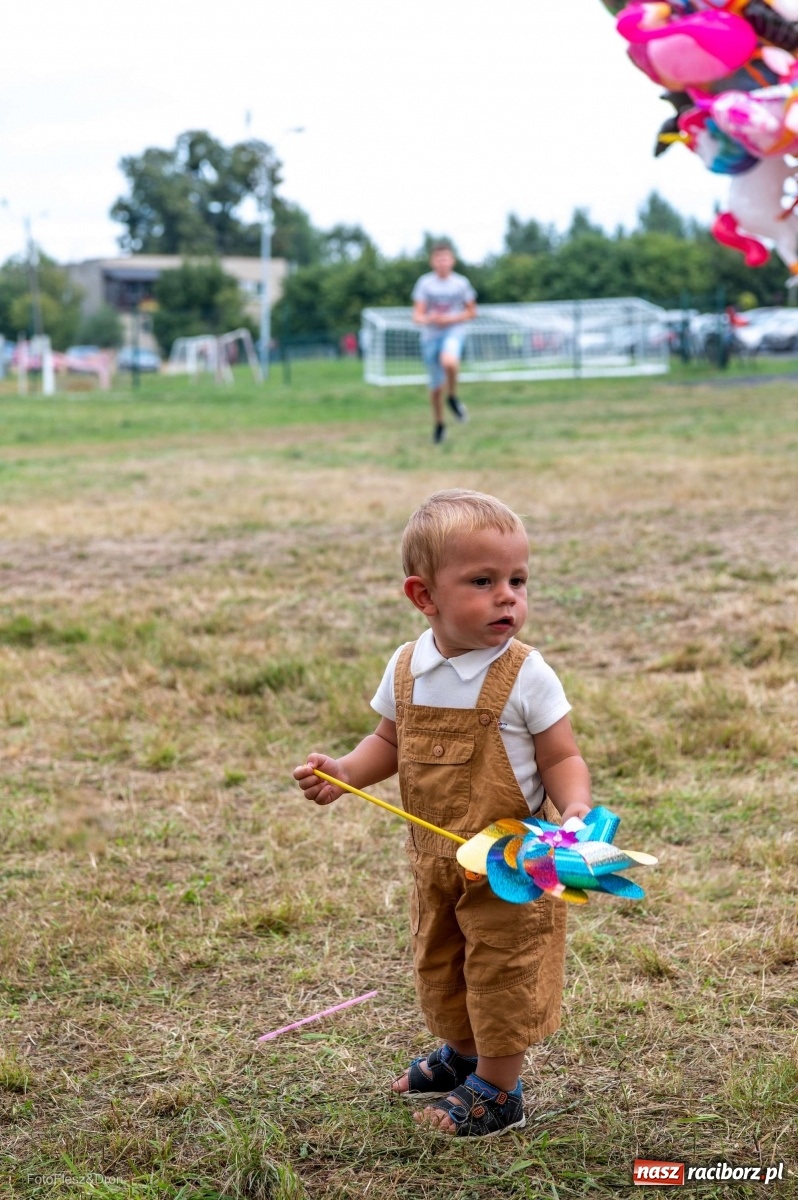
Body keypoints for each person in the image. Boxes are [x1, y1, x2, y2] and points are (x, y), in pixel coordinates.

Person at [294, 489, 592, 1138]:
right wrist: (346, 773)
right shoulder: (408, 668)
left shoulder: (526, 674)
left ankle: (499, 1088)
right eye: (483, 582)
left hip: (510, 865)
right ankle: (462, 1054)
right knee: (444, 962)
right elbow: (389, 743)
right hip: (435, 863)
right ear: (423, 596)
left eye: (517, 580)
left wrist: (575, 806)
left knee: (502, 971)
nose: (508, 596)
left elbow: (562, 755)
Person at [411, 243, 477, 444]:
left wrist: (449, 319)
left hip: (453, 331)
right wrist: (430, 319)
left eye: (446, 258)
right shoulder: (425, 284)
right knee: (435, 388)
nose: (442, 262)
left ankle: (453, 397)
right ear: (432, 261)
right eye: (438, 258)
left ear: (452, 260)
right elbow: (417, 315)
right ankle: (439, 424)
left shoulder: (461, 284)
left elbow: (472, 311)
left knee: (449, 361)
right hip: (431, 337)